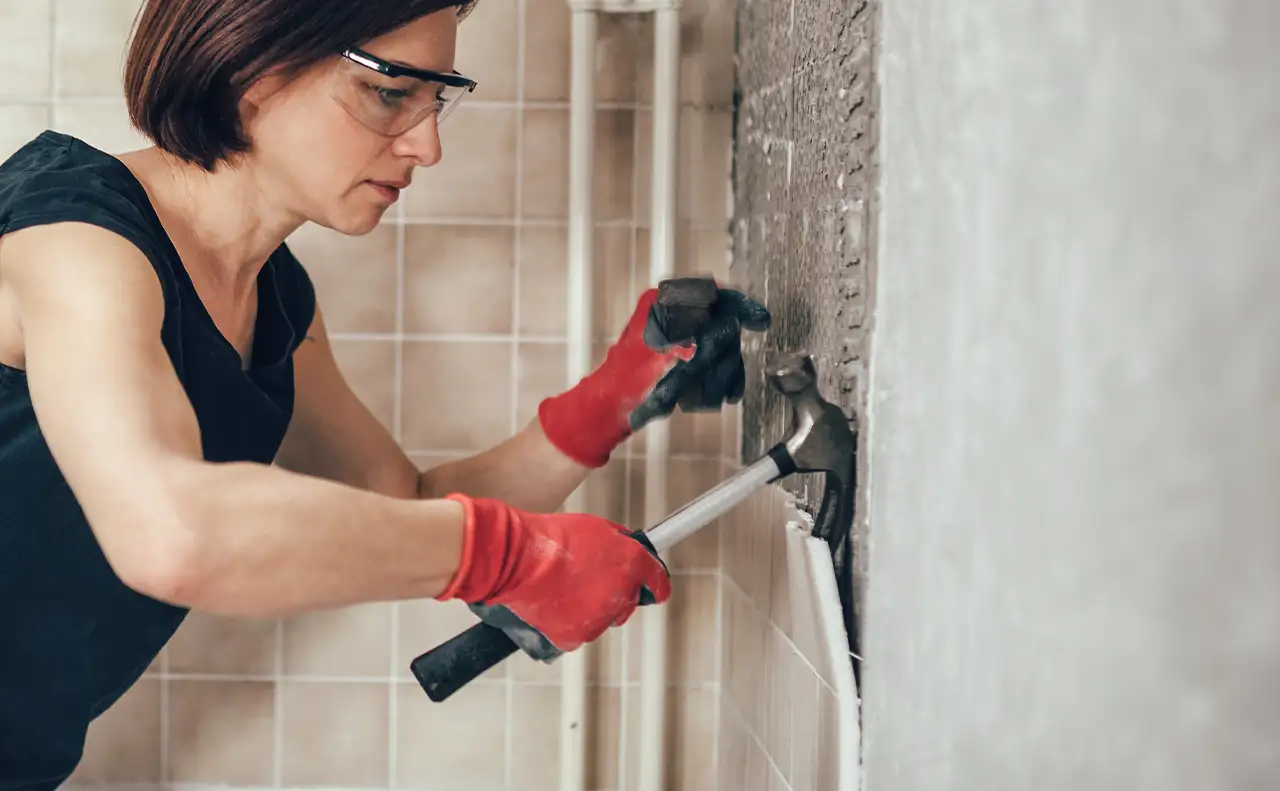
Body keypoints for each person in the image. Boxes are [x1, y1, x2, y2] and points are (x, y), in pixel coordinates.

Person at [0, 0, 769, 788]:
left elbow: (405, 501)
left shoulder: (277, 302)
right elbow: (171, 534)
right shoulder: (74, 239)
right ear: (250, 71)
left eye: (437, 100)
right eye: (391, 92)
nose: (427, 144)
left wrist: (610, 399)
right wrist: (508, 557)